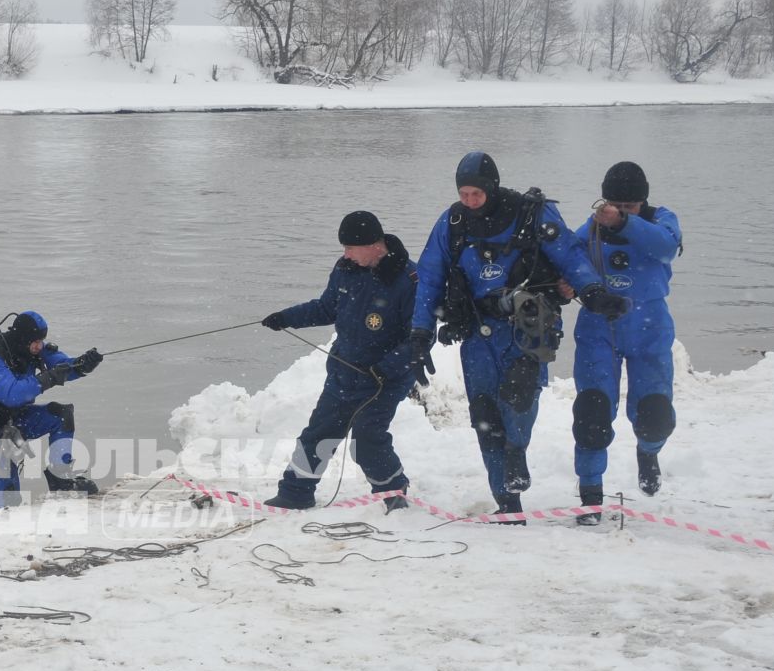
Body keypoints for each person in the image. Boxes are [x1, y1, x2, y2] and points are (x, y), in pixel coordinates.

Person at [408, 151, 626, 517]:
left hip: (529, 324)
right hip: (478, 330)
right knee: (485, 413)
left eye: (476, 194)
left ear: (491, 187)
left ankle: (517, 451)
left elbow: (570, 254)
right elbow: (430, 277)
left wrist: (592, 291)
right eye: (463, 194)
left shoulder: (532, 213)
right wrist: (420, 334)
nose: (470, 201)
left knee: (519, 396)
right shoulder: (453, 222)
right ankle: (508, 504)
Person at [259, 211, 419, 512]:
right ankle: (295, 493)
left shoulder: (408, 279)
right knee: (318, 434)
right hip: (345, 370)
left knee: (367, 438)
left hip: (384, 379)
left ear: (375, 244)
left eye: (350, 248)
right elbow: (326, 308)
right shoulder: (346, 269)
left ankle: (394, 491)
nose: (345, 254)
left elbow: (419, 339)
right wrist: (286, 318)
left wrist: (386, 369)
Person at [568, 161, 682, 520]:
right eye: (614, 205)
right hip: (599, 327)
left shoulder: (662, 221)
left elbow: (665, 247)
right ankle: (590, 495)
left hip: (649, 327)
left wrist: (624, 222)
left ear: (642, 204)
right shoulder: (590, 231)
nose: (618, 212)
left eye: (629, 207)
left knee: (656, 415)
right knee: (592, 413)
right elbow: (567, 260)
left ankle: (648, 450)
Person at [0, 311, 104, 506]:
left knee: (60, 415)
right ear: (22, 338)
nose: (39, 345)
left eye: (41, 340)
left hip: (14, 420)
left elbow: (62, 366)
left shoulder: (31, 348)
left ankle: (61, 478)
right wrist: (49, 377)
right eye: (35, 341)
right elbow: (13, 395)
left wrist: (82, 365)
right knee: (8, 496)